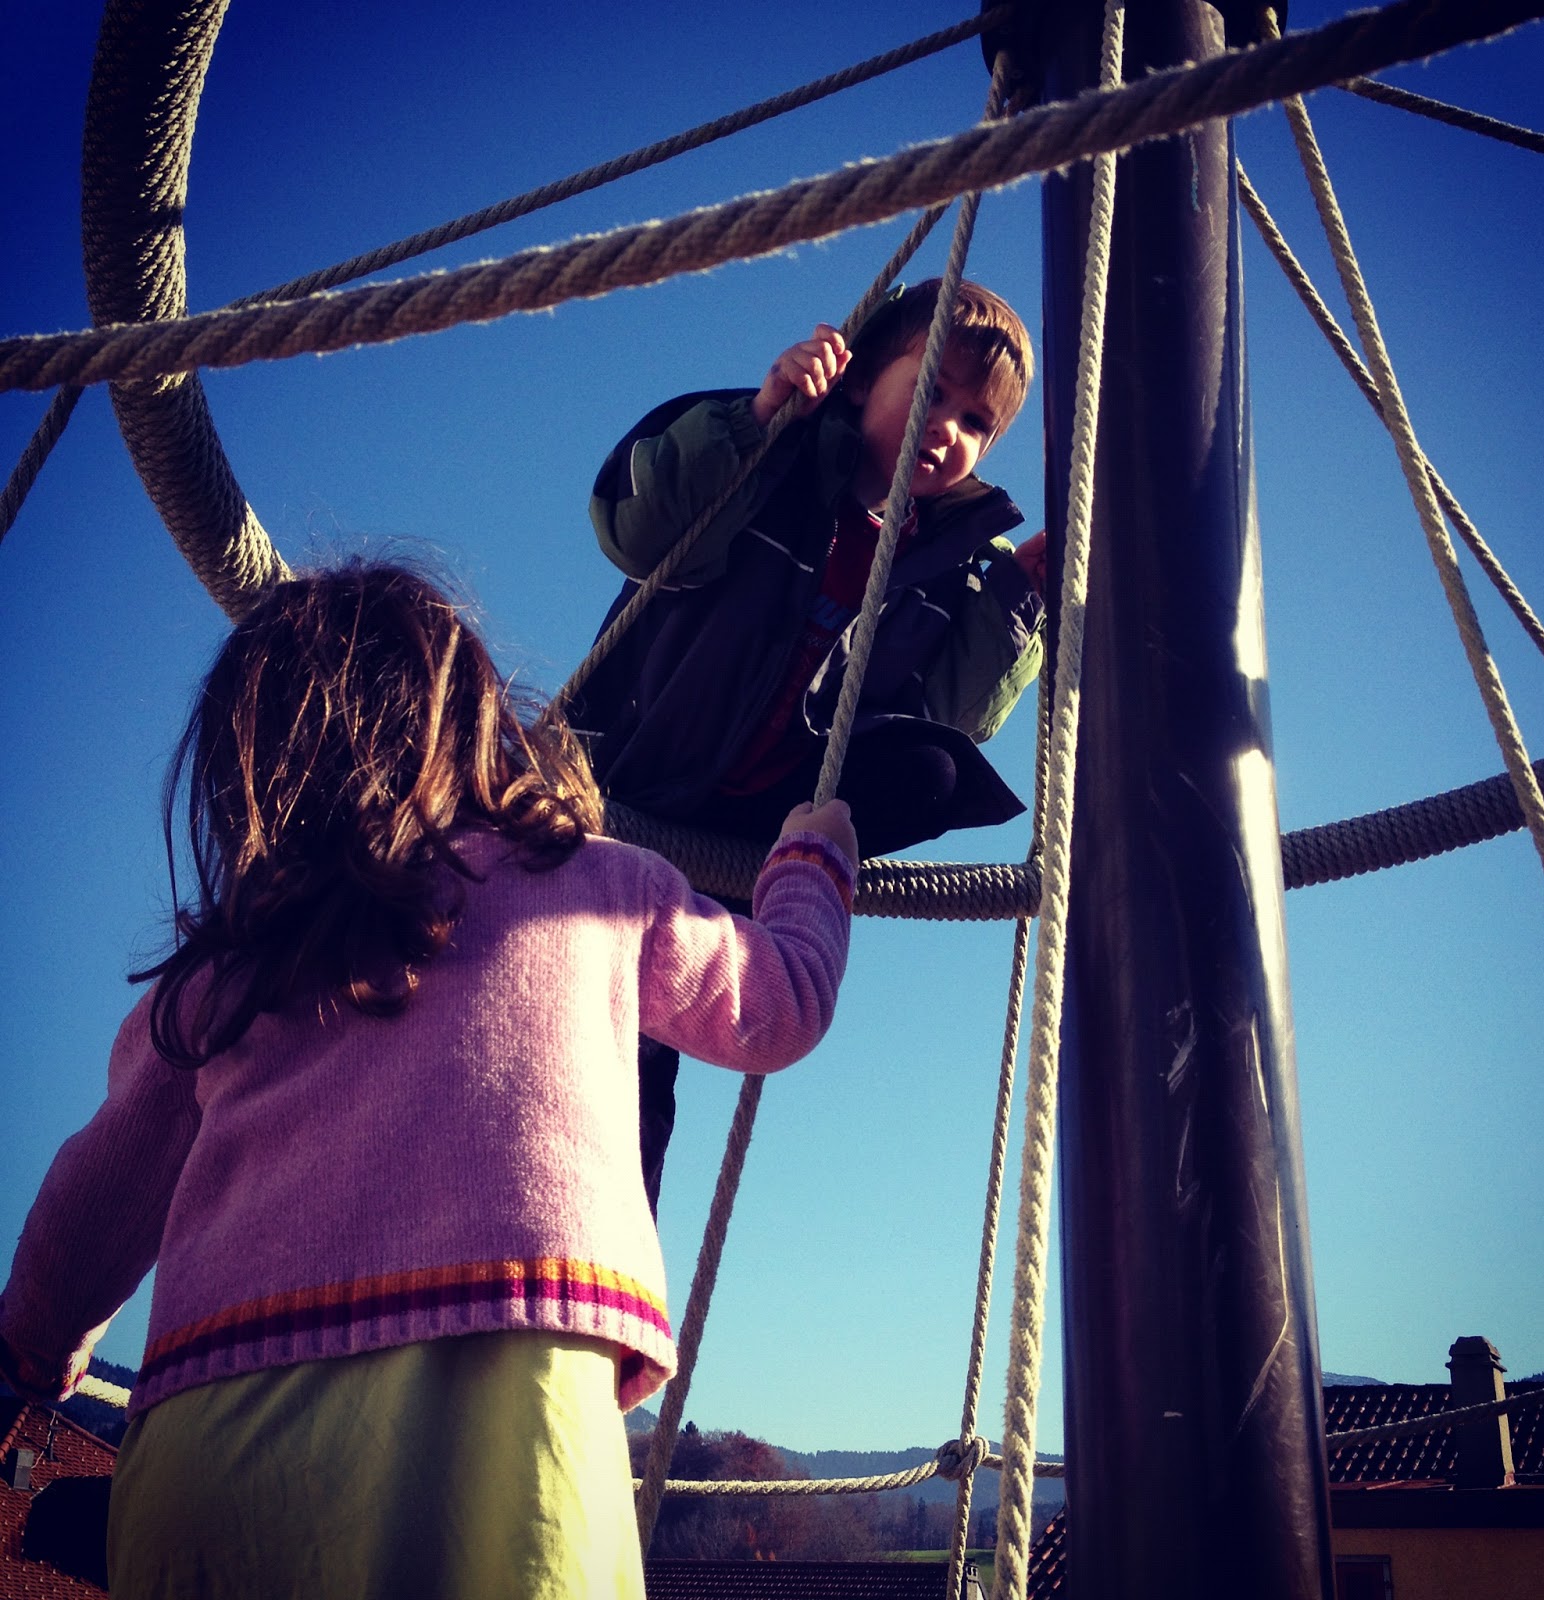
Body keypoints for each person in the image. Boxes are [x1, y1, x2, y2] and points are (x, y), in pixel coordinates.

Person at [0, 561, 858, 1600]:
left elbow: (91, 1210)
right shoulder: (594, 883)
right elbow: (780, 1003)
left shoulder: (223, 976)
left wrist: (35, 1357)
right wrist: (810, 863)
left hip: (212, 1424)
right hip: (507, 1406)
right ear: (478, 722)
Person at [570, 277, 1046, 1208]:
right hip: (634, 774)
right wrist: (754, 421)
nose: (948, 429)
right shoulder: (774, 460)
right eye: (934, 390)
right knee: (592, 1016)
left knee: (933, 766)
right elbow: (637, 529)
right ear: (863, 376)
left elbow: (951, 711)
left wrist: (1017, 601)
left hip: (755, 817)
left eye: (977, 423)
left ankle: (618, 1228)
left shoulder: (946, 563)